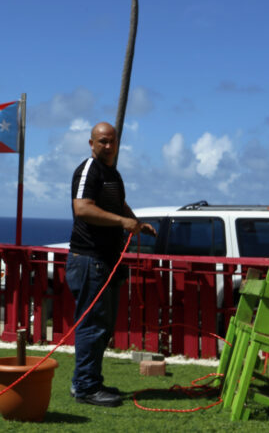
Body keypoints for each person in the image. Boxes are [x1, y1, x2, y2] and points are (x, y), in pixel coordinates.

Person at [66, 122, 156, 407]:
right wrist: (122, 222)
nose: (108, 146)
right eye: (102, 141)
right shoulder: (89, 170)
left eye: (112, 141)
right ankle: (85, 387)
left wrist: (136, 224)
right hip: (89, 260)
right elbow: (81, 208)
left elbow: (118, 205)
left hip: (105, 261)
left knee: (102, 326)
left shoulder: (111, 174)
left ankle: (89, 380)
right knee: (92, 326)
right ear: (91, 143)